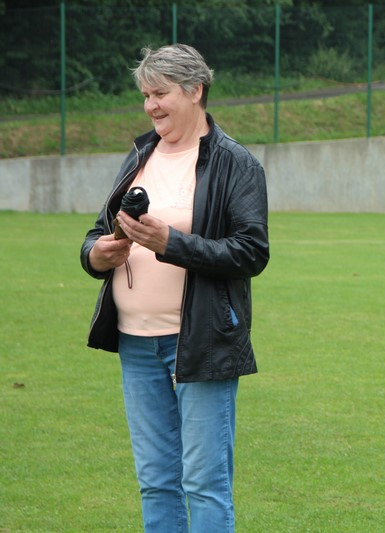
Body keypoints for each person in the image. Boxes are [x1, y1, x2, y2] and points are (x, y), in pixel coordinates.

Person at [80, 44, 269, 532]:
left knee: (204, 483)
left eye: (160, 94)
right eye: (146, 95)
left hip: (202, 341)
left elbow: (252, 252)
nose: (151, 106)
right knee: (156, 482)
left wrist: (172, 244)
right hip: (135, 343)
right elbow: (96, 232)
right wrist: (96, 254)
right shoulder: (139, 154)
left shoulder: (235, 163)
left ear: (195, 90)